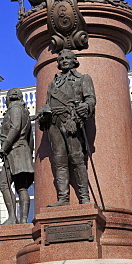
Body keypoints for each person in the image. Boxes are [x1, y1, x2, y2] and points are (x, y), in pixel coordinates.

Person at [38, 50, 96, 206]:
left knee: (77, 158)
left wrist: (85, 106)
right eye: (61, 58)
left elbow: (90, 99)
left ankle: (84, 197)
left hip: (71, 120)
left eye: (67, 58)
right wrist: (44, 110)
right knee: (59, 160)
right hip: (53, 123)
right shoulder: (52, 83)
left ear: (74, 61)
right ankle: (63, 198)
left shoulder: (83, 79)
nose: (63, 60)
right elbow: (48, 102)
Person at [0, 89, 35, 224]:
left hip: (14, 151)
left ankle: (13, 217)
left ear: (8, 99)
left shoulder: (15, 109)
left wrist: (4, 147)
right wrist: (29, 154)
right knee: (21, 186)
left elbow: (15, 128)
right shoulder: (25, 112)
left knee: (4, 183)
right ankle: (24, 219)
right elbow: (31, 139)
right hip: (23, 151)